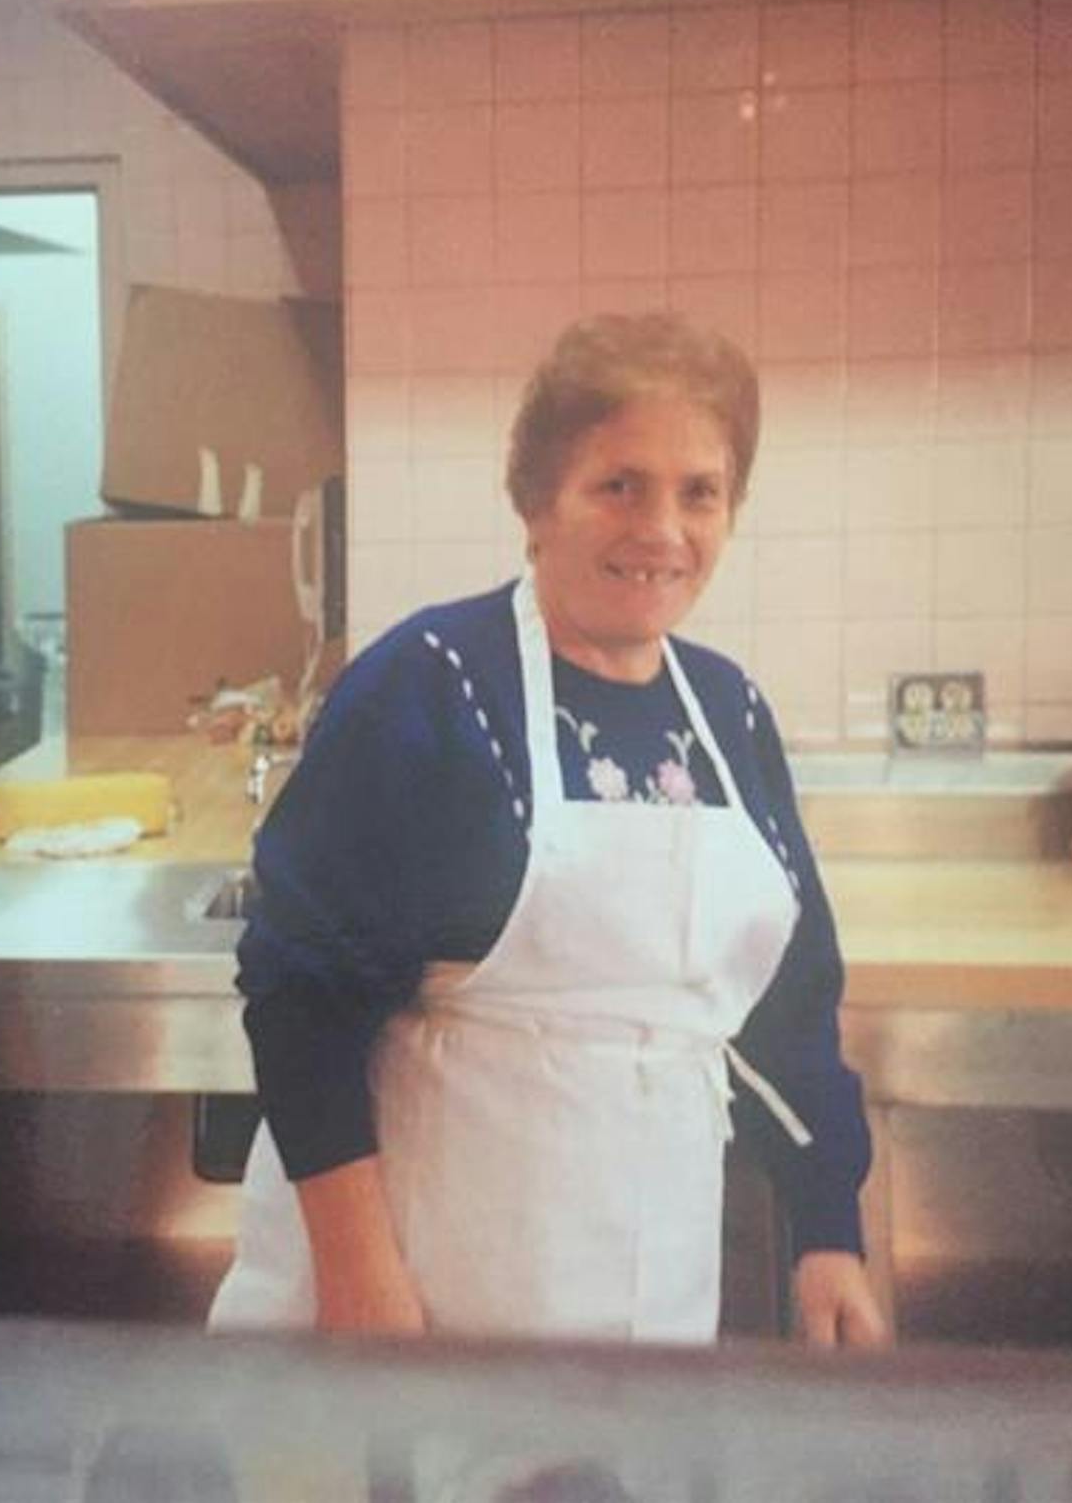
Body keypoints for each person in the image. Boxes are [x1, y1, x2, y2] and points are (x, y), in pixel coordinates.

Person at [209, 312, 887, 1350]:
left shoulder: (729, 709)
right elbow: (301, 997)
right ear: (536, 501)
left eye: (699, 491)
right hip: (422, 1291)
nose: (661, 528)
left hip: (654, 1298)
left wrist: (828, 1232)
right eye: (619, 483)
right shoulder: (428, 683)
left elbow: (785, 1006)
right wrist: (358, 1280)